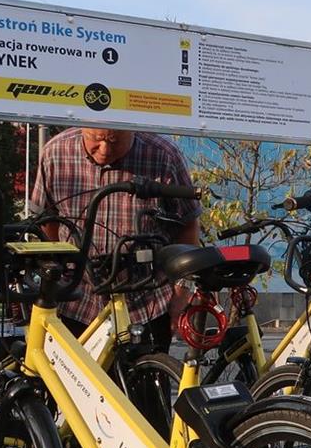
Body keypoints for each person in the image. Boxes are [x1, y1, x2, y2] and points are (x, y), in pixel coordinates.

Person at [29, 128, 200, 350]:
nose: (105, 149)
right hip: (77, 301)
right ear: (83, 127)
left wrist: (182, 293)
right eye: (97, 139)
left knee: (144, 371)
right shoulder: (56, 151)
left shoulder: (163, 154)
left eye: (115, 141)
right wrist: (55, 272)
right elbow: (47, 221)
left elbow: (187, 225)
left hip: (146, 302)